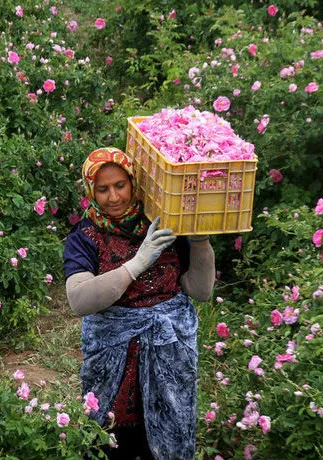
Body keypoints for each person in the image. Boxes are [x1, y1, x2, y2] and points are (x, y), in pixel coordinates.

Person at [63, 147, 215, 460]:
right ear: (91, 191)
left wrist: (200, 240)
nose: (113, 197)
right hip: (114, 358)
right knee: (112, 437)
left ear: (134, 183)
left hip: (169, 353)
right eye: (102, 189)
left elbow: (199, 290)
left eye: (120, 185)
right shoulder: (85, 235)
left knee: (165, 437)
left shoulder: (162, 223)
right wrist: (137, 263)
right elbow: (79, 300)